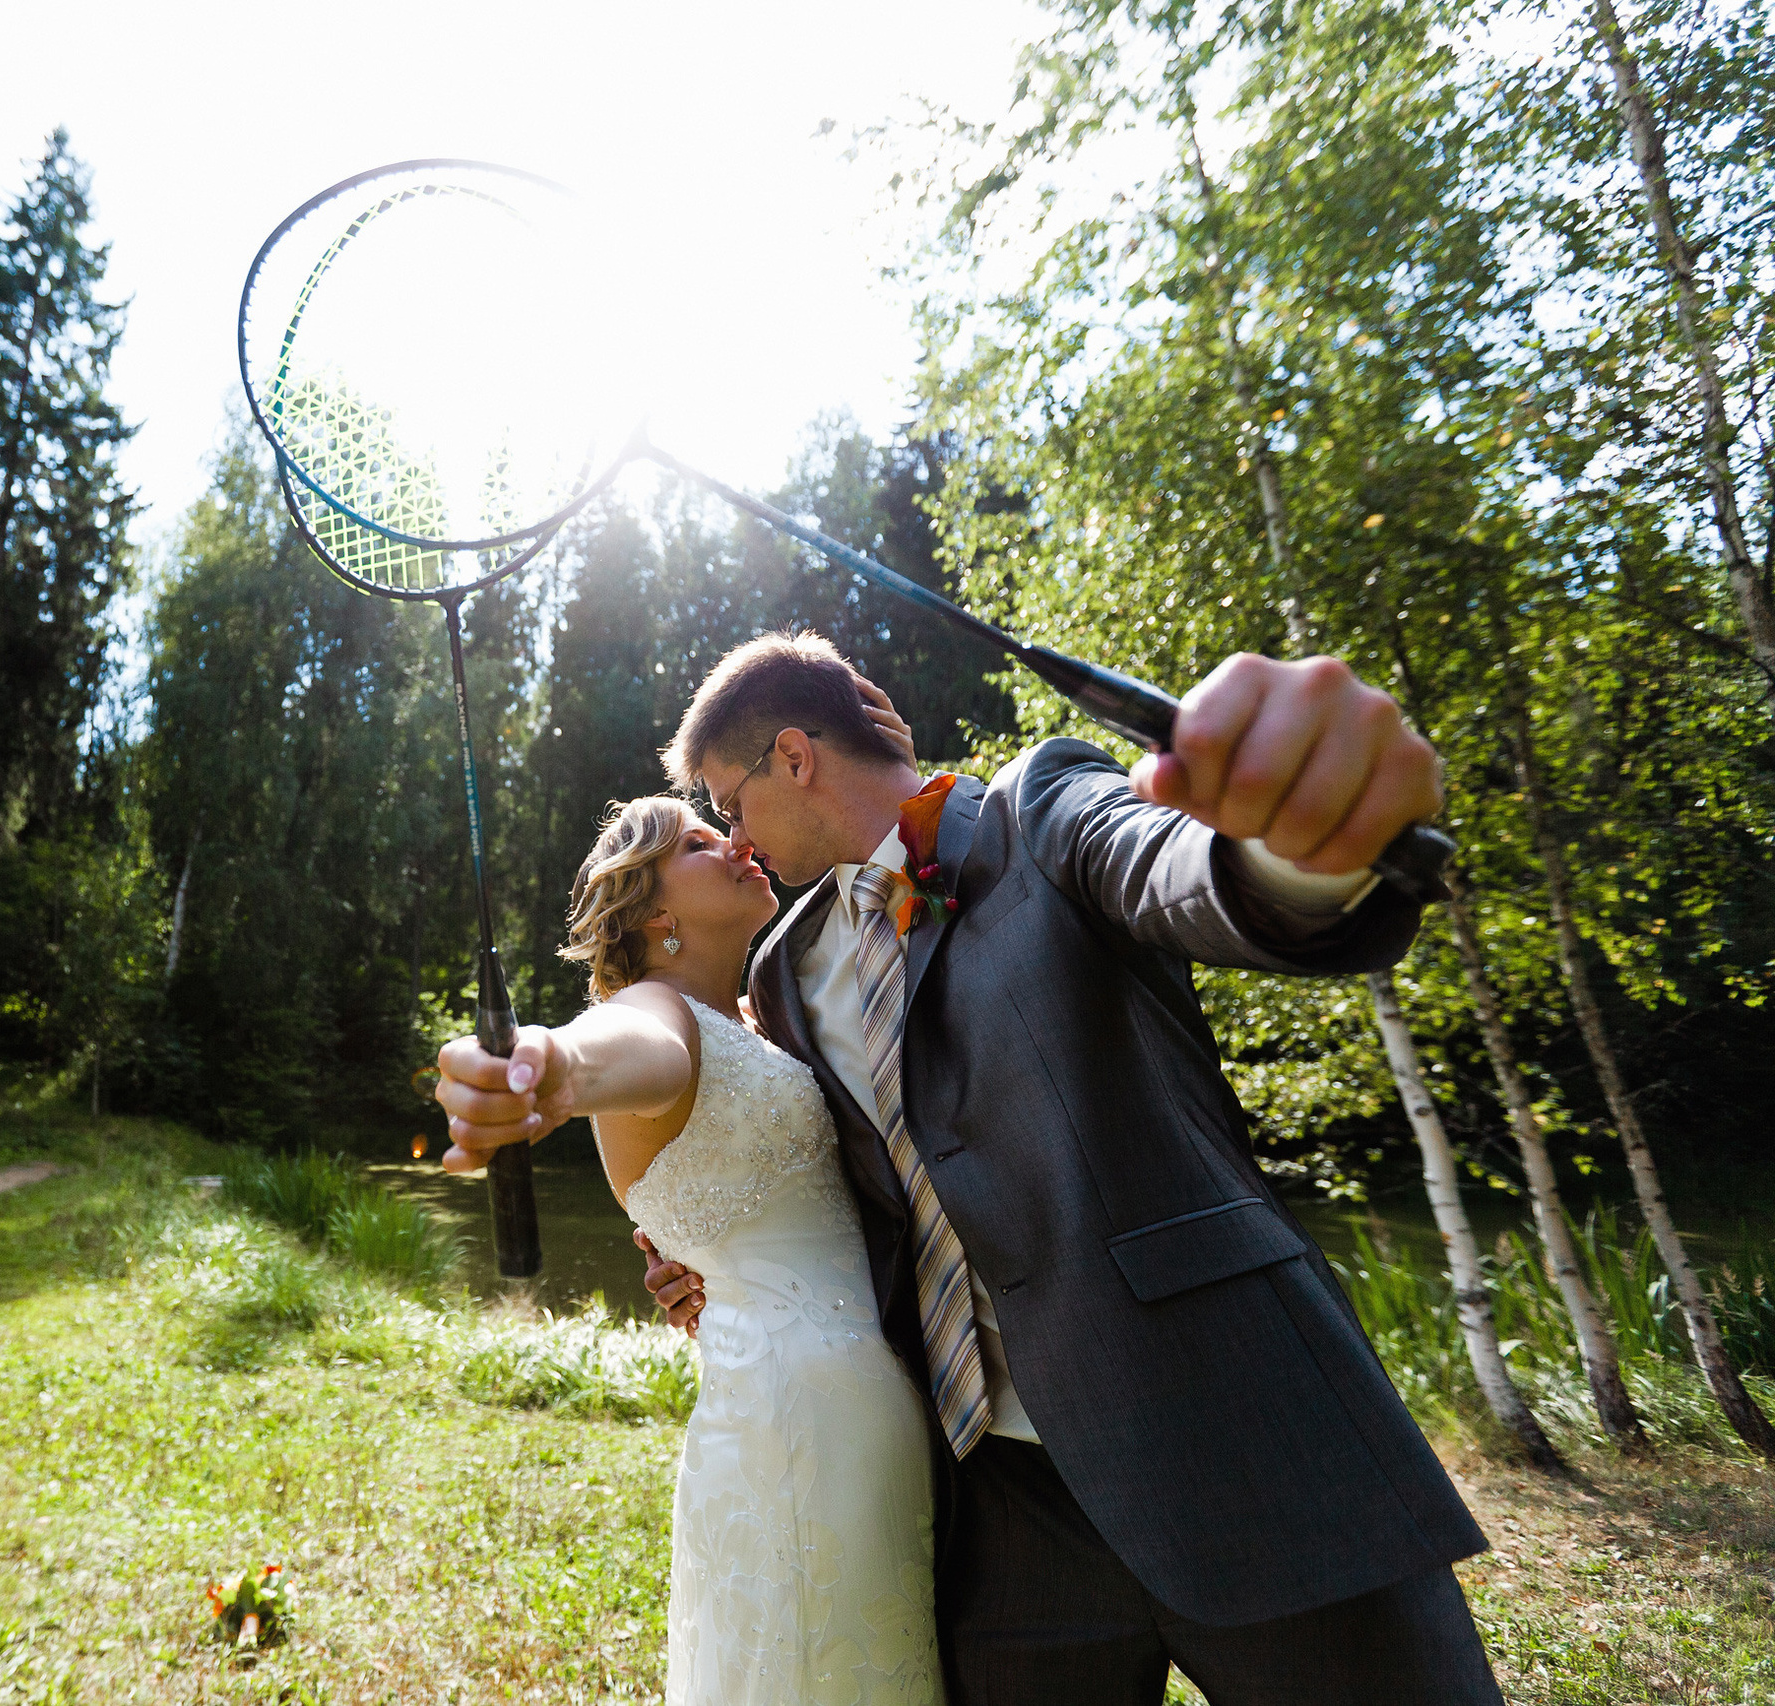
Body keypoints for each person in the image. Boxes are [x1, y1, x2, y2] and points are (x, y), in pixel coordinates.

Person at [436, 633, 1505, 1706]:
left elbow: (1178, 868)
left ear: (794, 758)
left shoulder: (1034, 808)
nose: (737, 836)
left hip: (1236, 1436)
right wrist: (708, 1257)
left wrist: (1303, 845)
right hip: (990, 1507)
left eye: (731, 801)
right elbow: (823, 1162)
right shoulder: (783, 973)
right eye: (713, 822)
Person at [441, 678, 943, 1705]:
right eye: (698, 841)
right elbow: (602, 1053)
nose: (733, 839)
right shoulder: (656, 1015)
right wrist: (544, 1066)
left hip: (872, 1399)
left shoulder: (776, 1012)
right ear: (656, 908)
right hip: (795, 1420)